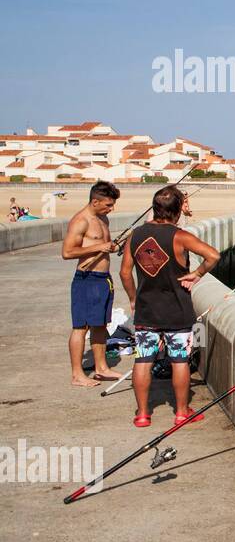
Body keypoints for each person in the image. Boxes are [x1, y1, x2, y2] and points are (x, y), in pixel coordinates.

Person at [119, 185, 221, 428]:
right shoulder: (180, 236)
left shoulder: (135, 235)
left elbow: (124, 273)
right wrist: (195, 273)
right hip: (177, 309)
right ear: (176, 211)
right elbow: (213, 256)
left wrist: (134, 299)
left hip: (146, 309)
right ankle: (181, 412)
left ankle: (143, 414)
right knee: (179, 360)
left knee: (143, 360)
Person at [62, 181, 122, 386]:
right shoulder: (81, 221)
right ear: (95, 201)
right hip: (86, 280)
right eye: (107, 205)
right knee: (81, 327)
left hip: (103, 279)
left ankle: (101, 368)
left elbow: (101, 246)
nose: (111, 209)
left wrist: (109, 247)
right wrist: (100, 246)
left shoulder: (102, 217)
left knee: (100, 325)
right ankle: (77, 375)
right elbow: (67, 252)